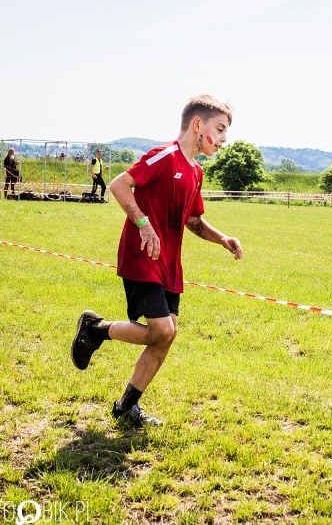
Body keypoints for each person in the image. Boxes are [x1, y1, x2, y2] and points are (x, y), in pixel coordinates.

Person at [70, 94, 243, 427]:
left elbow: (193, 221)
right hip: (142, 256)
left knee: (168, 334)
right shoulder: (165, 156)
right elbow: (120, 185)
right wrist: (143, 223)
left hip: (169, 265)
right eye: (219, 130)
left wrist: (222, 238)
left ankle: (126, 407)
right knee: (161, 329)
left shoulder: (195, 172)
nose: (223, 139)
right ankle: (95, 329)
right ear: (198, 125)